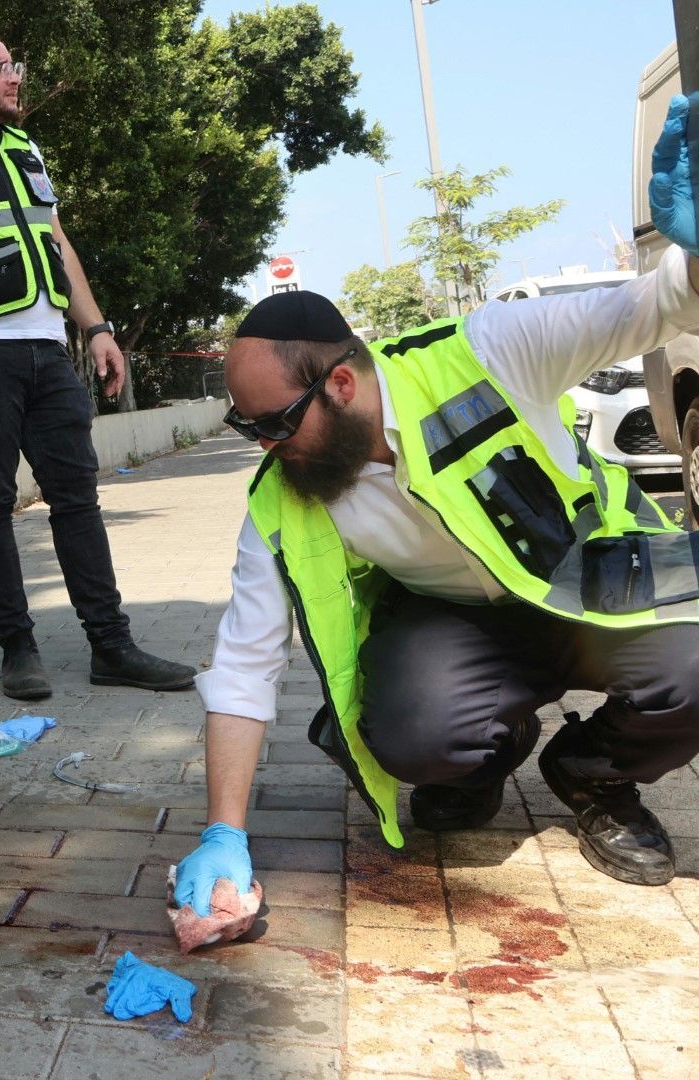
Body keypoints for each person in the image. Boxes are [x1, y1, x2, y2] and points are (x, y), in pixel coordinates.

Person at [174, 95, 699, 920]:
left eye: (275, 425)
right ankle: (491, 751)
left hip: (590, 580)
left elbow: (646, 311)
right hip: (455, 625)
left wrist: (692, 261)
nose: (267, 449)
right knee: (416, 732)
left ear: (340, 384)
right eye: (249, 431)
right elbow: (244, 667)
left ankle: (597, 775)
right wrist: (223, 831)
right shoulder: (288, 497)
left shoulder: (486, 352)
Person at [0, 28, 196, 701]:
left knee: (77, 496)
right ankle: (17, 647)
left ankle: (111, 645)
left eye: (14, 64)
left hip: (48, 350)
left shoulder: (25, 149)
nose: (15, 76)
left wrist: (99, 328)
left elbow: (58, 241)